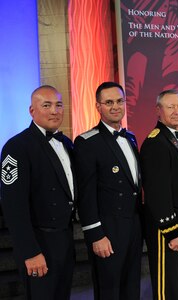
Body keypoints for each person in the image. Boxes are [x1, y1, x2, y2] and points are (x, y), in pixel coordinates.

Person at [0, 85, 76, 299]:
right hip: (39, 242)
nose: (54, 111)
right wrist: (30, 251)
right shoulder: (16, 147)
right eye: (47, 105)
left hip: (64, 239)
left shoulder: (66, 143)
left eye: (58, 105)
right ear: (32, 111)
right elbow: (14, 207)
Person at [74, 82, 142, 299]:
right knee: (109, 290)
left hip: (132, 225)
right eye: (109, 102)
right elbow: (86, 195)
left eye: (119, 101)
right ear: (98, 106)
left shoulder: (130, 138)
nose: (115, 106)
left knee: (132, 287)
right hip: (108, 230)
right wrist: (96, 234)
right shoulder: (87, 142)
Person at [140, 89, 178, 300]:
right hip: (168, 224)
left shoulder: (176, 138)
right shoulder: (156, 142)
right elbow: (157, 192)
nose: (176, 111)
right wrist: (172, 231)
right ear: (158, 110)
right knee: (169, 287)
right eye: (170, 107)